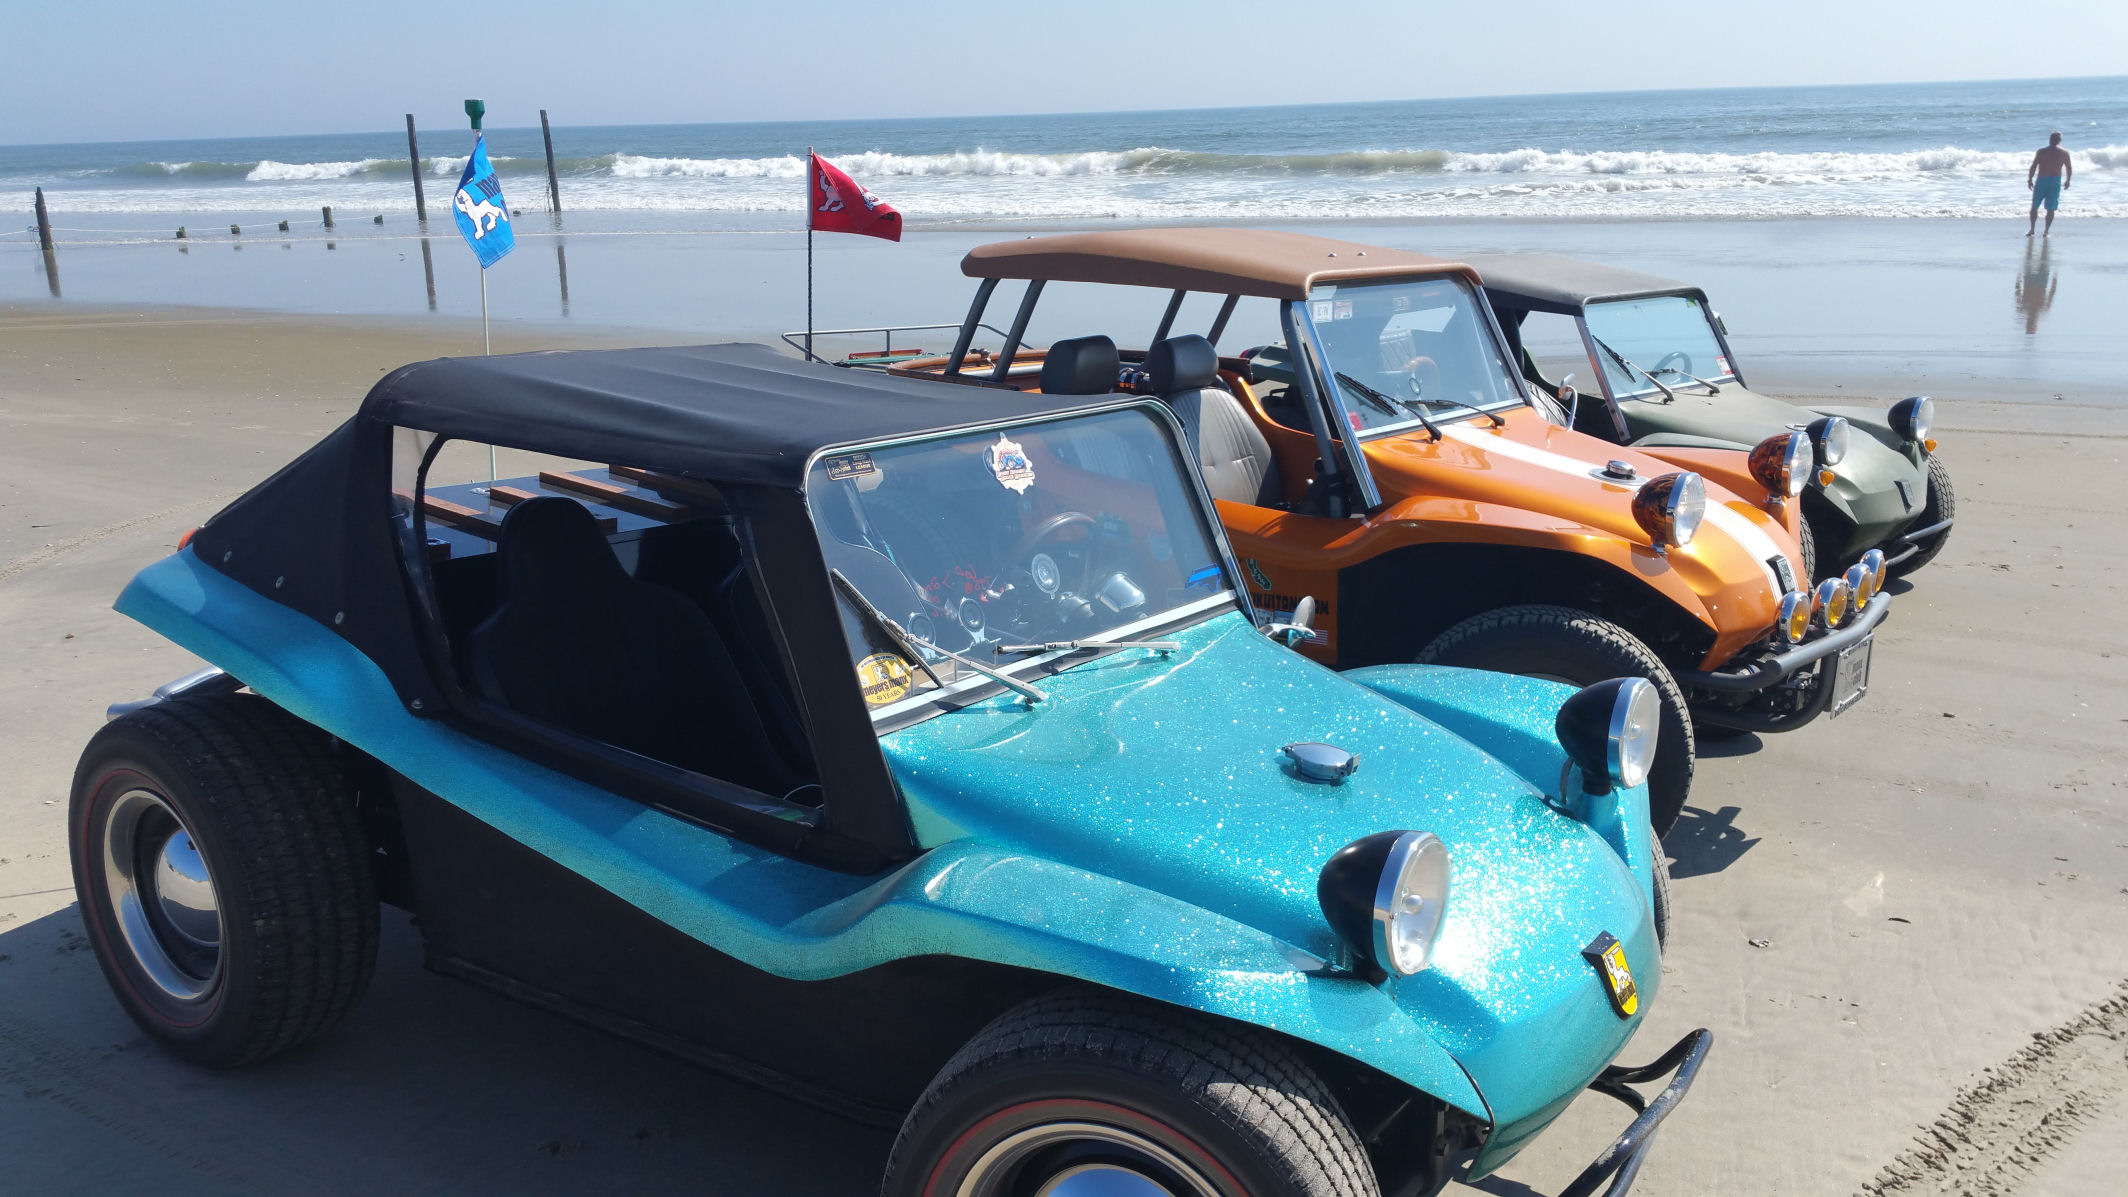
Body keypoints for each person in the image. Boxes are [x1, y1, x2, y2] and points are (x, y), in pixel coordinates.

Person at [2027, 132, 2072, 237]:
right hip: (2055, 181)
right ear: (2059, 141)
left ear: (2050, 139)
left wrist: (2030, 179)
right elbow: (2068, 168)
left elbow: (2033, 166)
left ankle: (2032, 229)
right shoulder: (2064, 152)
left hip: (2042, 180)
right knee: (2050, 208)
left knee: (2035, 206)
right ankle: (2046, 231)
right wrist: (2068, 180)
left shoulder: (2042, 152)